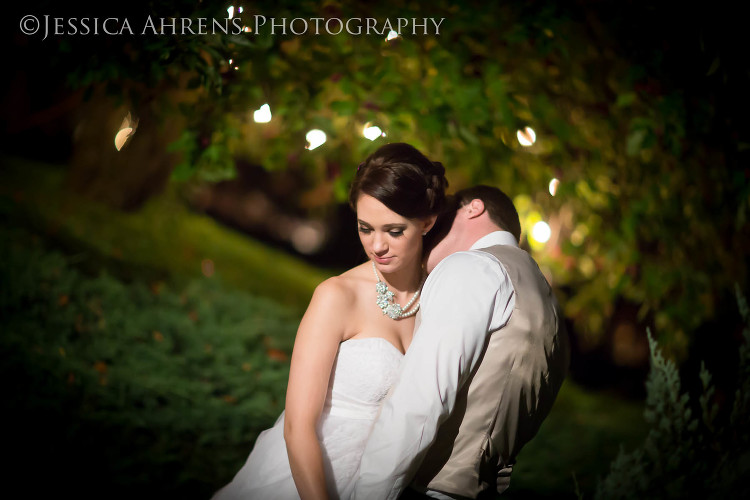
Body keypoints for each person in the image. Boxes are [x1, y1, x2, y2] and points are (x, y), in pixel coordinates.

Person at [211, 142, 448, 500]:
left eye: (394, 231)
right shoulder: (337, 296)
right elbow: (297, 426)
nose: (377, 245)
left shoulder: (439, 304)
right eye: (365, 228)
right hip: (302, 483)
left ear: (427, 222)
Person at [352, 185, 570, 499]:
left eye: (438, 219)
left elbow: (419, 401)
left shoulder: (473, 267)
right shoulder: (548, 305)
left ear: (473, 208)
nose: (428, 231)